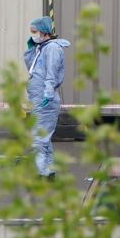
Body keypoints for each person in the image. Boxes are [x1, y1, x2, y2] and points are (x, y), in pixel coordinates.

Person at [24, 16, 70, 180]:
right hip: (40, 99)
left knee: (39, 138)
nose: (32, 35)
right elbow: (32, 68)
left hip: (46, 100)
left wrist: (48, 93)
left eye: (34, 32)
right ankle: (48, 171)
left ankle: (40, 173)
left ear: (44, 32)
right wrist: (30, 49)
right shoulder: (41, 48)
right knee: (44, 138)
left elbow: (51, 73)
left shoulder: (52, 49)